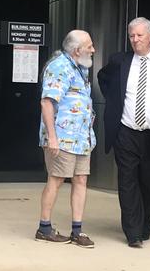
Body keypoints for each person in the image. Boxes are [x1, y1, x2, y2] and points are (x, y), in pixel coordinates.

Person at [97, 17, 150, 248]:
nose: (135, 40)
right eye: (132, 36)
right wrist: (115, 103)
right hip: (125, 131)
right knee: (127, 182)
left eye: (139, 35)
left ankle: (146, 222)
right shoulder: (119, 61)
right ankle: (133, 232)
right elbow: (102, 78)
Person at [35, 29, 96, 248]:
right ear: (77, 50)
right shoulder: (59, 67)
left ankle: (77, 231)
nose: (93, 49)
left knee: (81, 180)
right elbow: (47, 103)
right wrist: (52, 138)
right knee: (56, 179)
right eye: (89, 46)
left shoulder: (80, 67)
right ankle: (44, 228)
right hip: (62, 138)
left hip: (81, 139)